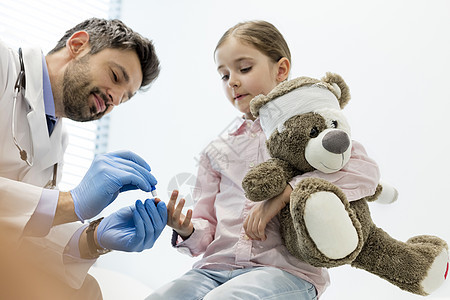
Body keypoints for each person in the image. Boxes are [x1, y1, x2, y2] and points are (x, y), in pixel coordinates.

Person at [146, 20, 380, 300]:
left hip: (287, 273)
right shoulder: (217, 150)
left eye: (244, 69)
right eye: (223, 75)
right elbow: (204, 230)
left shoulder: (308, 131)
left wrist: (284, 195)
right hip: (213, 269)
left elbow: (365, 172)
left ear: (281, 69)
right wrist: (185, 227)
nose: (232, 81)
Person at [0, 18, 167, 299]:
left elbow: (26, 238)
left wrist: (92, 238)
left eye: (123, 100)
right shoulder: (3, 67)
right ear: (77, 45)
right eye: (115, 77)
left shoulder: (58, 141)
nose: (113, 100)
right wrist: (72, 202)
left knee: (86, 291)